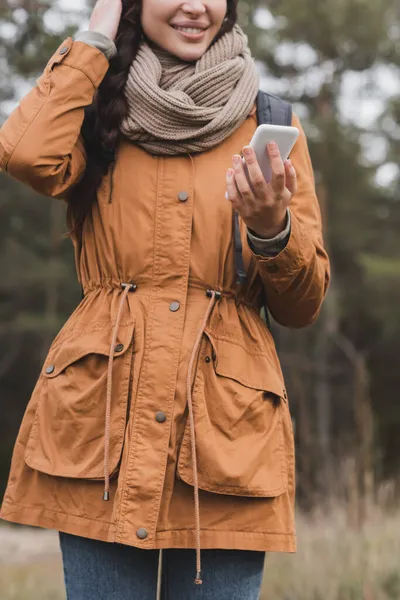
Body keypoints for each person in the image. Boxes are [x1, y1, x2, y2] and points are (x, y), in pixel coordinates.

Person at [0, 0, 330, 598]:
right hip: (100, 434)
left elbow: (303, 306)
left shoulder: (270, 123)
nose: (195, 6)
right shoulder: (96, 106)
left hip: (226, 447)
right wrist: (96, 37)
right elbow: (25, 155)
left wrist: (271, 231)